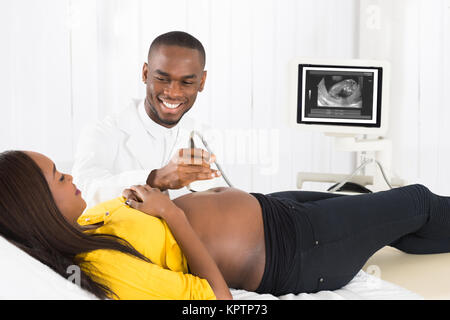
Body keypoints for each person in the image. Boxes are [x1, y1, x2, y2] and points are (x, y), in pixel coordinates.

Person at [2, 150, 450, 300]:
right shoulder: (102, 267)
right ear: (35, 206)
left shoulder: (86, 223)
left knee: (398, 221)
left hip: (275, 212)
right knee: (417, 202)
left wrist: (151, 193)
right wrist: (172, 214)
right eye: (58, 177)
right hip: (293, 250)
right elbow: (216, 303)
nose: (70, 177)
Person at [71, 31, 222, 208]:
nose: (173, 92)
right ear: (145, 73)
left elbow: (214, 205)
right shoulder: (102, 132)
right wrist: (155, 178)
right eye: (162, 79)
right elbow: (83, 189)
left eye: (186, 83)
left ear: (202, 81)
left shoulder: (206, 137)